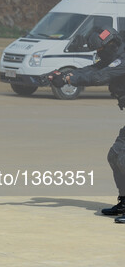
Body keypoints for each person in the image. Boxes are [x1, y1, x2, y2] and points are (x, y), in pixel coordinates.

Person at [48, 27, 125, 223]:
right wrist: (66, 74)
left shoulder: (122, 59)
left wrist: (67, 79)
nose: (98, 53)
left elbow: (100, 77)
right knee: (115, 156)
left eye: (100, 50)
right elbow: (94, 69)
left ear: (111, 44)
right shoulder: (113, 55)